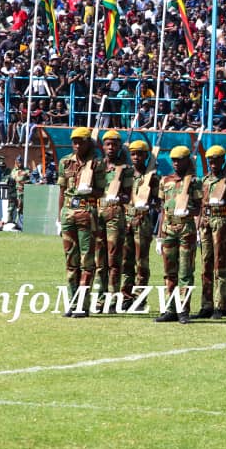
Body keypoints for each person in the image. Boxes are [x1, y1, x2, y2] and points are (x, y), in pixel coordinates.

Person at [57, 127, 106, 318]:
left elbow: (101, 191)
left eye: (80, 142)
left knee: (87, 261)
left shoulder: (97, 164)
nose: (77, 145)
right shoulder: (65, 162)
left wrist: (90, 190)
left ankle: (83, 305)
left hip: (87, 212)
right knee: (71, 261)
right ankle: (72, 302)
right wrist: (59, 217)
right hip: (68, 212)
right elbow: (62, 191)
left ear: (88, 143)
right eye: (74, 142)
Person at [155, 145, 202, 324]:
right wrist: (159, 235)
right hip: (168, 229)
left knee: (185, 272)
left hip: (186, 230)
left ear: (187, 161)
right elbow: (162, 209)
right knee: (169, 272)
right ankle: (170, 309)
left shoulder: (194, 182)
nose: (175, 163)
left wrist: (190, 214)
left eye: (179, 160)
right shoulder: (165, 180)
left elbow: (199, 207)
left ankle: (183, 309)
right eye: (173, 160)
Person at [95, 131, 133, 311]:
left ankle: (113, 299)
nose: (111, 148)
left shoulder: (125, 169)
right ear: (103, 146)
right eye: (108, 144)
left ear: (119, 147)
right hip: (97, 213)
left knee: (114, 259)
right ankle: (100, 298)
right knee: (99, 260)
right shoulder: (96, 166)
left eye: (114, 145)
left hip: (115, 214)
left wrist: (118, 197)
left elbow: (128, 195)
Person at [198, 145, 226, 319]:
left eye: (217, 161)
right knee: (206, 264)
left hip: (221, 221)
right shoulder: (205, 180)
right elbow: (200, 203)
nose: (213, 164)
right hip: (206, 222)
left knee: (220, 264)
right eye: (210, 161)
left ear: (223, 161)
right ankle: (206, 304)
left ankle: (221, 304)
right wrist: (199, 223)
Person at [122, 139, 159, 311]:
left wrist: (149, 203)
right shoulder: (125, 174)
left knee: (141, 262)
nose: (136, 157)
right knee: (125, 261)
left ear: (146, 156)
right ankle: (125, 296)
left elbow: (159, 201)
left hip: (142, 221)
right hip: (125, 220)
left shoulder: (152, 177)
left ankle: (139, 298)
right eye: (133, 154)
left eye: (140, 154)